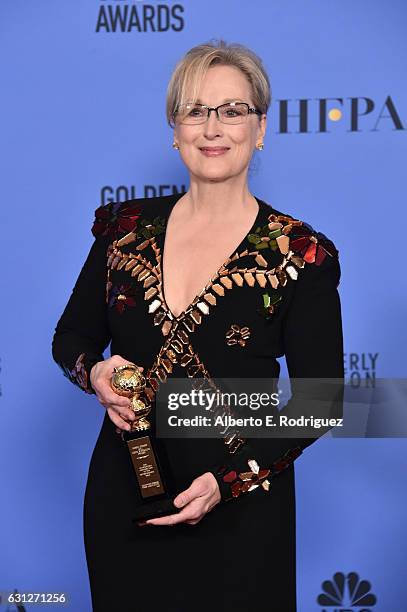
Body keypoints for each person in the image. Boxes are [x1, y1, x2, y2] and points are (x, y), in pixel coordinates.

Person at [52, 40, 344, 612]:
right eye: (195, 110)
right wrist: (98, 373)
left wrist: (228, 481)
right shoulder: (124, 229)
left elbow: (324, 400)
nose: (213, 128)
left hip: (241, 505)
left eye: (232, 110)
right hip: (124, 494)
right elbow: (71, 339)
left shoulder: (300, 253)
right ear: (175, 128)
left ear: (260, 128)